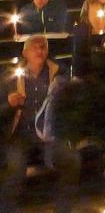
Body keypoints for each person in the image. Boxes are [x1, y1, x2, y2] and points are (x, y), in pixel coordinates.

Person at [1, 36, 80, 213]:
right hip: (20, 136)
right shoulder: (10, 78)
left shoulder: (58, 73)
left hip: (49, 134)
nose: (40, 50)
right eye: (35, 47)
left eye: (43, 47)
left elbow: (72, 99)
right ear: (25, 52)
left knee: (72, 159)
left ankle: (63, 209)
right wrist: (9, 104)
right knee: (14, 167)